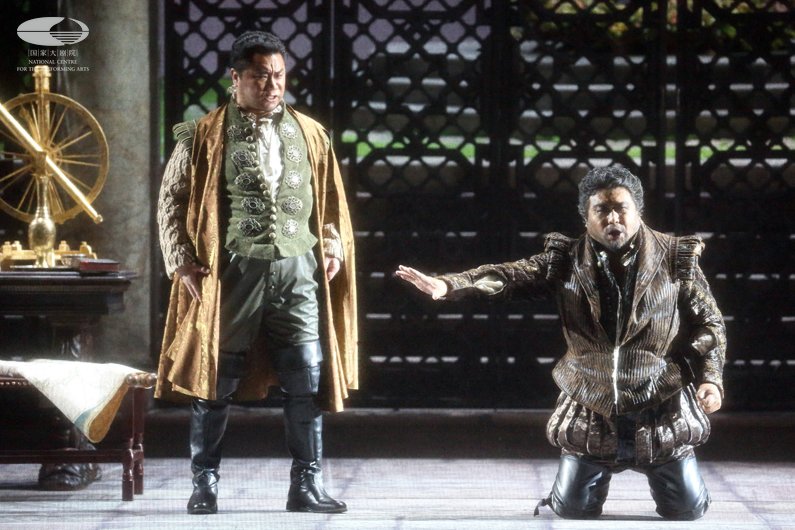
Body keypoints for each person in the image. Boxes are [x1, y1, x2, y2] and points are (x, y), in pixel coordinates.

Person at [396, 165, 725, 520]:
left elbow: (709, 323)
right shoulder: (566, 260)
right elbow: (509, 276)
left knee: (687, 509)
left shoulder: (675, 258)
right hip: (590, 402)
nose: (613, 218)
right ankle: (572, 486)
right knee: (572, 509)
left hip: (660, 404)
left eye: (621, 208)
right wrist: (451, 285)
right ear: (586, 216)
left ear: (638, 210)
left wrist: (711, 378)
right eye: (601, 210)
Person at [156, 30, 358, 515]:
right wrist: (181, 259)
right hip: (232, 271)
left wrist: (332, 246)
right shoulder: (201, 134)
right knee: (215, 378)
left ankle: (306, 485)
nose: (272, 85)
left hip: (298, 268)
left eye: (279, 75)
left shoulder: (311, 133)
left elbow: (329, 201)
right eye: (260, 76)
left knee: (305, 377)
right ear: (236, 78)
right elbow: (171, 201)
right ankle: (204, 484)